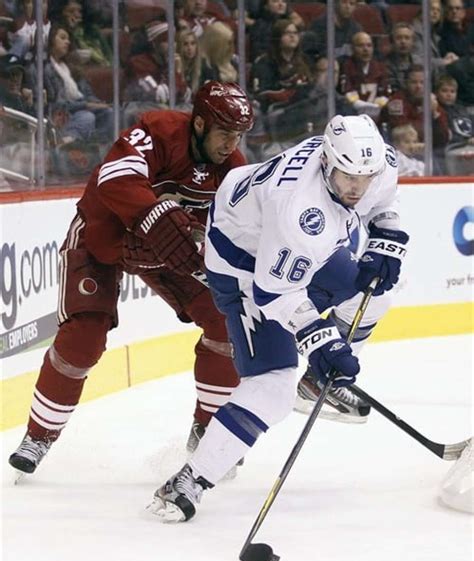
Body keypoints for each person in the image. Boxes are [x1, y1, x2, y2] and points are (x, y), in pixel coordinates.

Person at [147, 114, 410, 522]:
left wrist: (387, 236)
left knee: (374, 295)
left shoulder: (372, 163)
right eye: (347, 178)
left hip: (286, 252)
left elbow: (384, 200)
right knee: (272, 388)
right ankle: (188, 481)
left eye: (365, 176)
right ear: (326, 162)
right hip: (244, 266)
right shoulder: (301, 212)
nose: (357, 188)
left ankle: (318, 384)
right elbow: (276, 291)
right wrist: (320, 339)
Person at [8, 81, 254, 475]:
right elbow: (113, 180)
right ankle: (38, 435)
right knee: (83, 338)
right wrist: (157, 216)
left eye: (238, 135)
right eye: (224, 133)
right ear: (200, 124)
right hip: (102, 238)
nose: (231, 143)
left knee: (226, 321)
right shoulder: (157, 131)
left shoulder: (233, 168)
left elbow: (238, 230)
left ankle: (207, 430)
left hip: (167, 253)